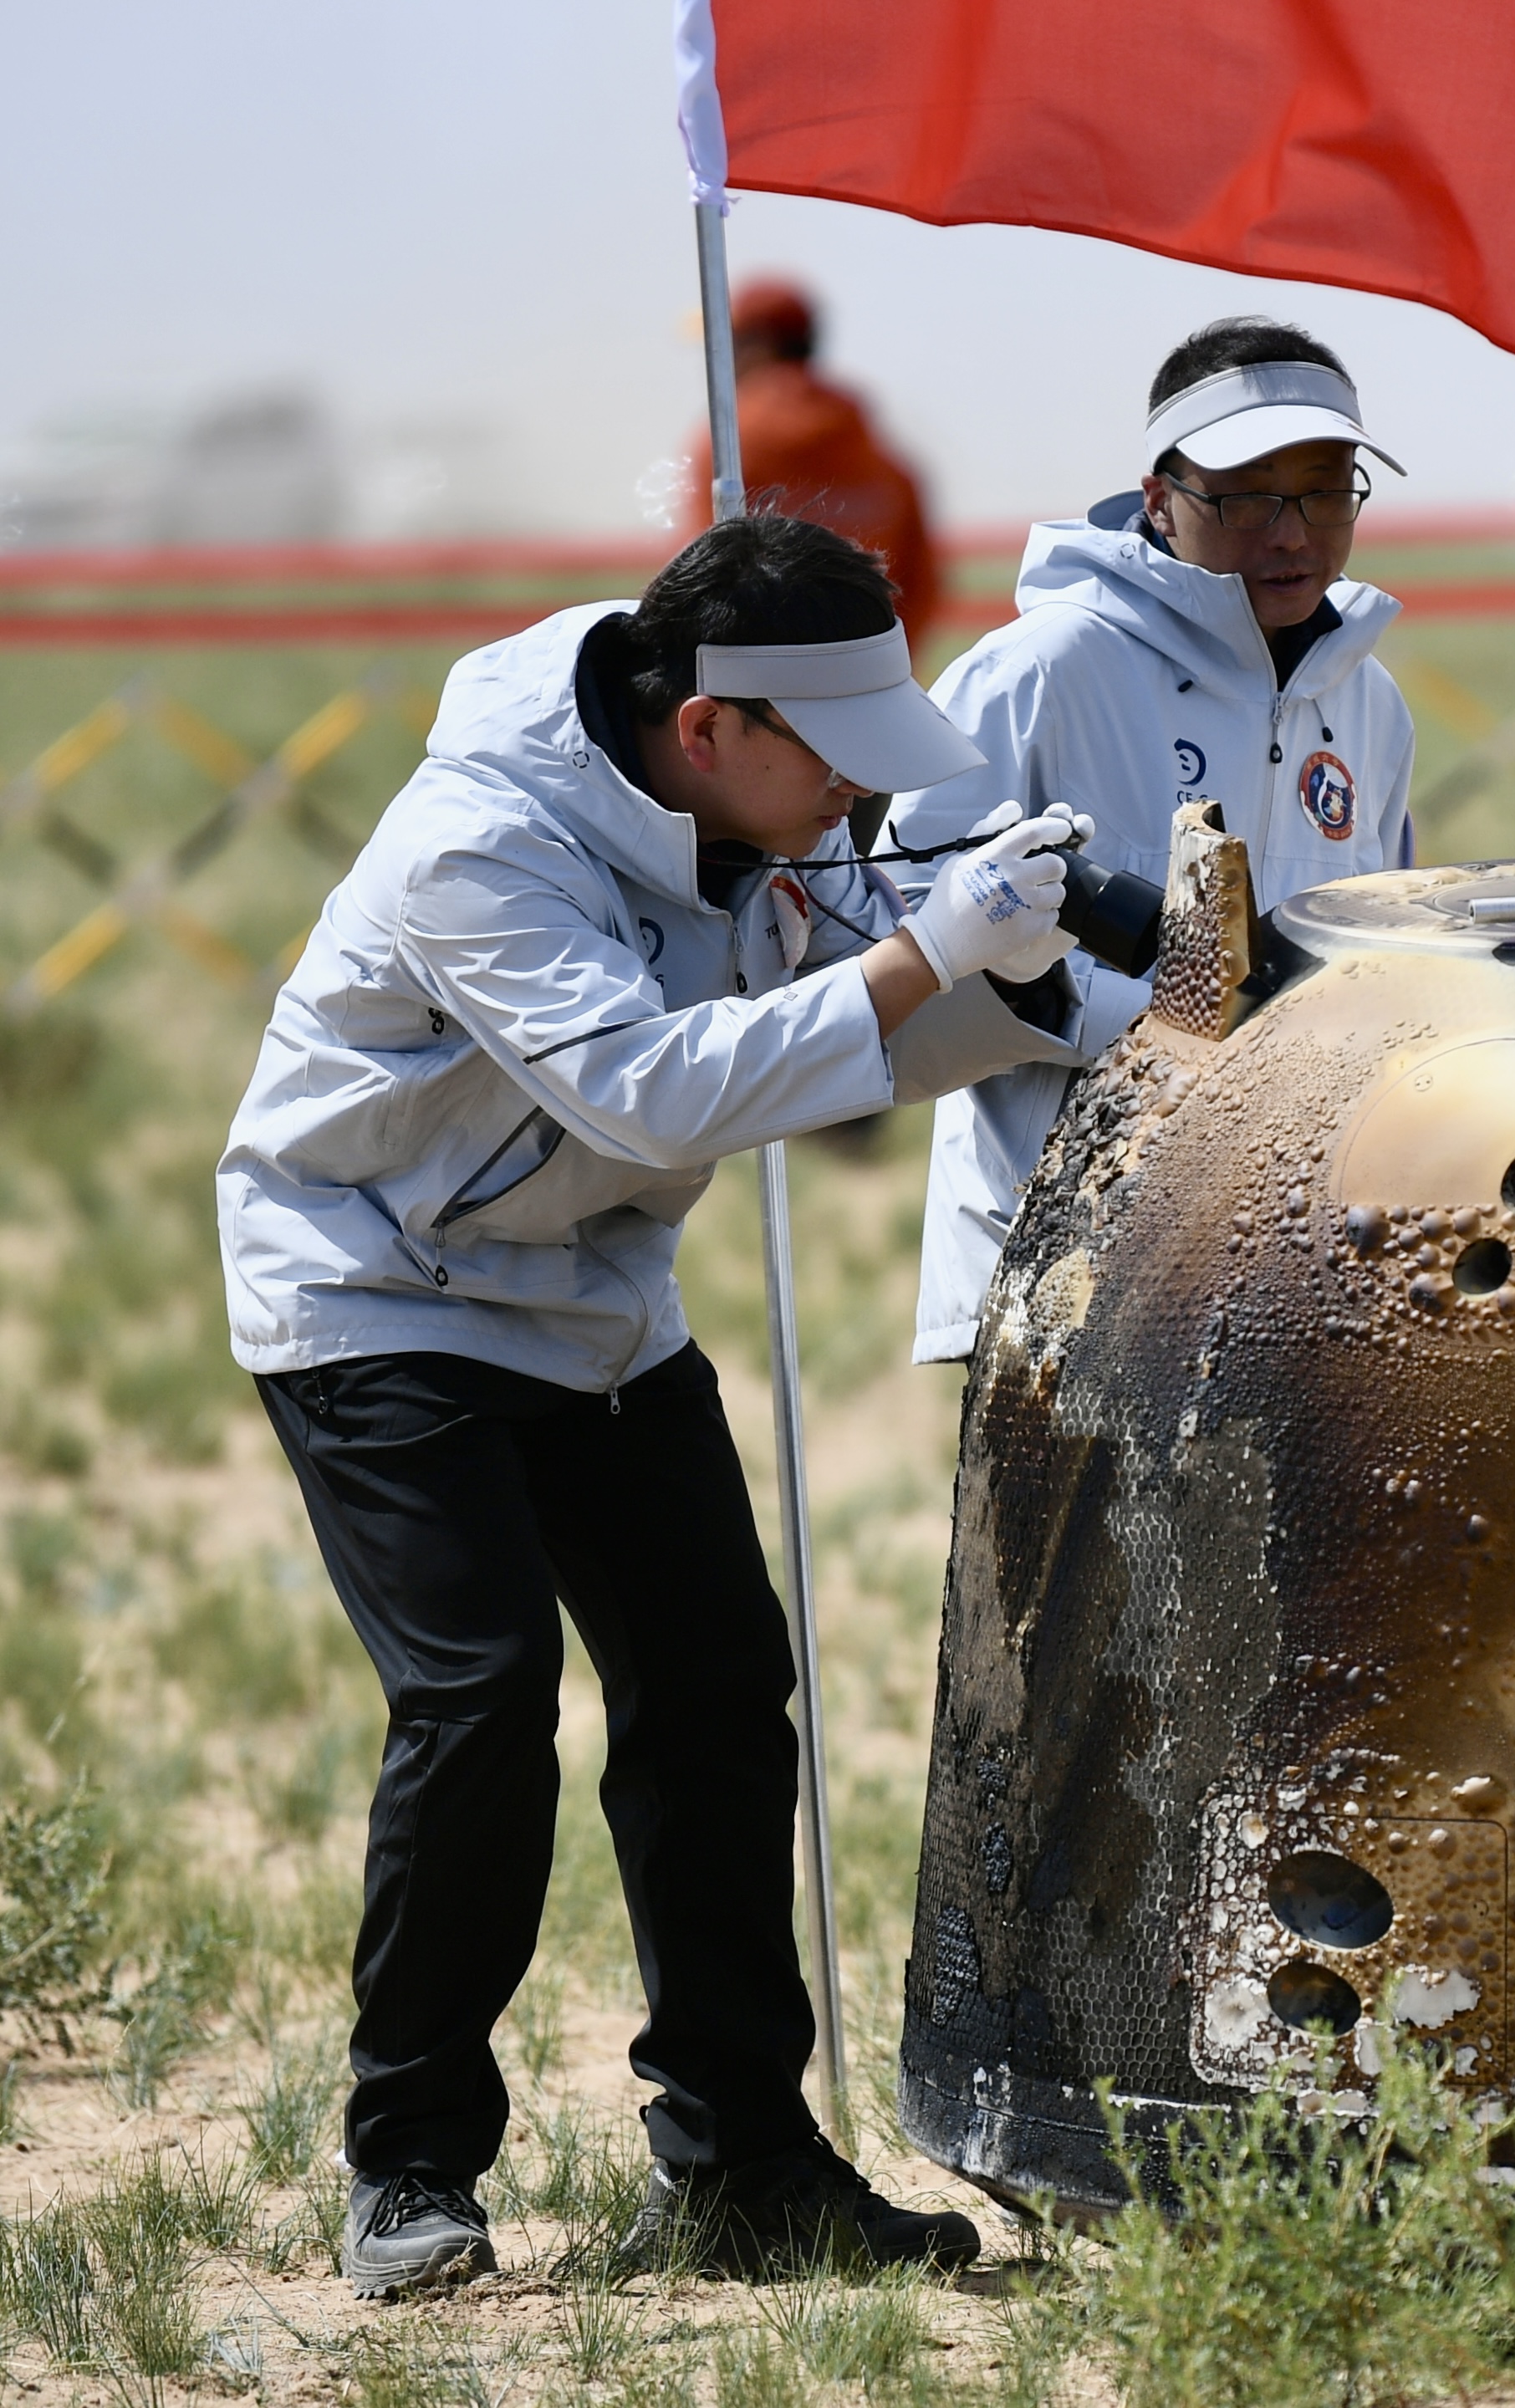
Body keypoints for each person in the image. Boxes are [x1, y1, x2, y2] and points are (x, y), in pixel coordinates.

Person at [219, 514, 1089, 2297]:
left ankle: (747, 2166)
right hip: (376, 1292)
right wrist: (924, 953)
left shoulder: (757, 818)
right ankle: (410, 2170)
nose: (864, 799)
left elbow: (848, 1042)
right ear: (709, 732)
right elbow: (649, 1096)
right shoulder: (483, 844)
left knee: (717, 1698)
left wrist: (1066, 1002)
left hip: (594, 1305)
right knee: (478, 1701)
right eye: (840, 759)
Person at [883, 317, 1416, 1367]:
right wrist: (1167, 1023)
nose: (1291, 533)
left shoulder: (1369, 702)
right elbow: (895, 935)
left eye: (1321, 492)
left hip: (1290, 1245)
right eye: (1249, 496)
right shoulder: (1041, 669)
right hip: (1065, 1253)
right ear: (1161, 496)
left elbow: (1383, 948)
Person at [689, 280, 943, 661]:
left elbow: (702, 580)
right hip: (870, 671)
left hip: (758, 684)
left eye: (726, 345)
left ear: (757, 346)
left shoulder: (727, 444)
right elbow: (923, 584)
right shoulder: (870, 441)